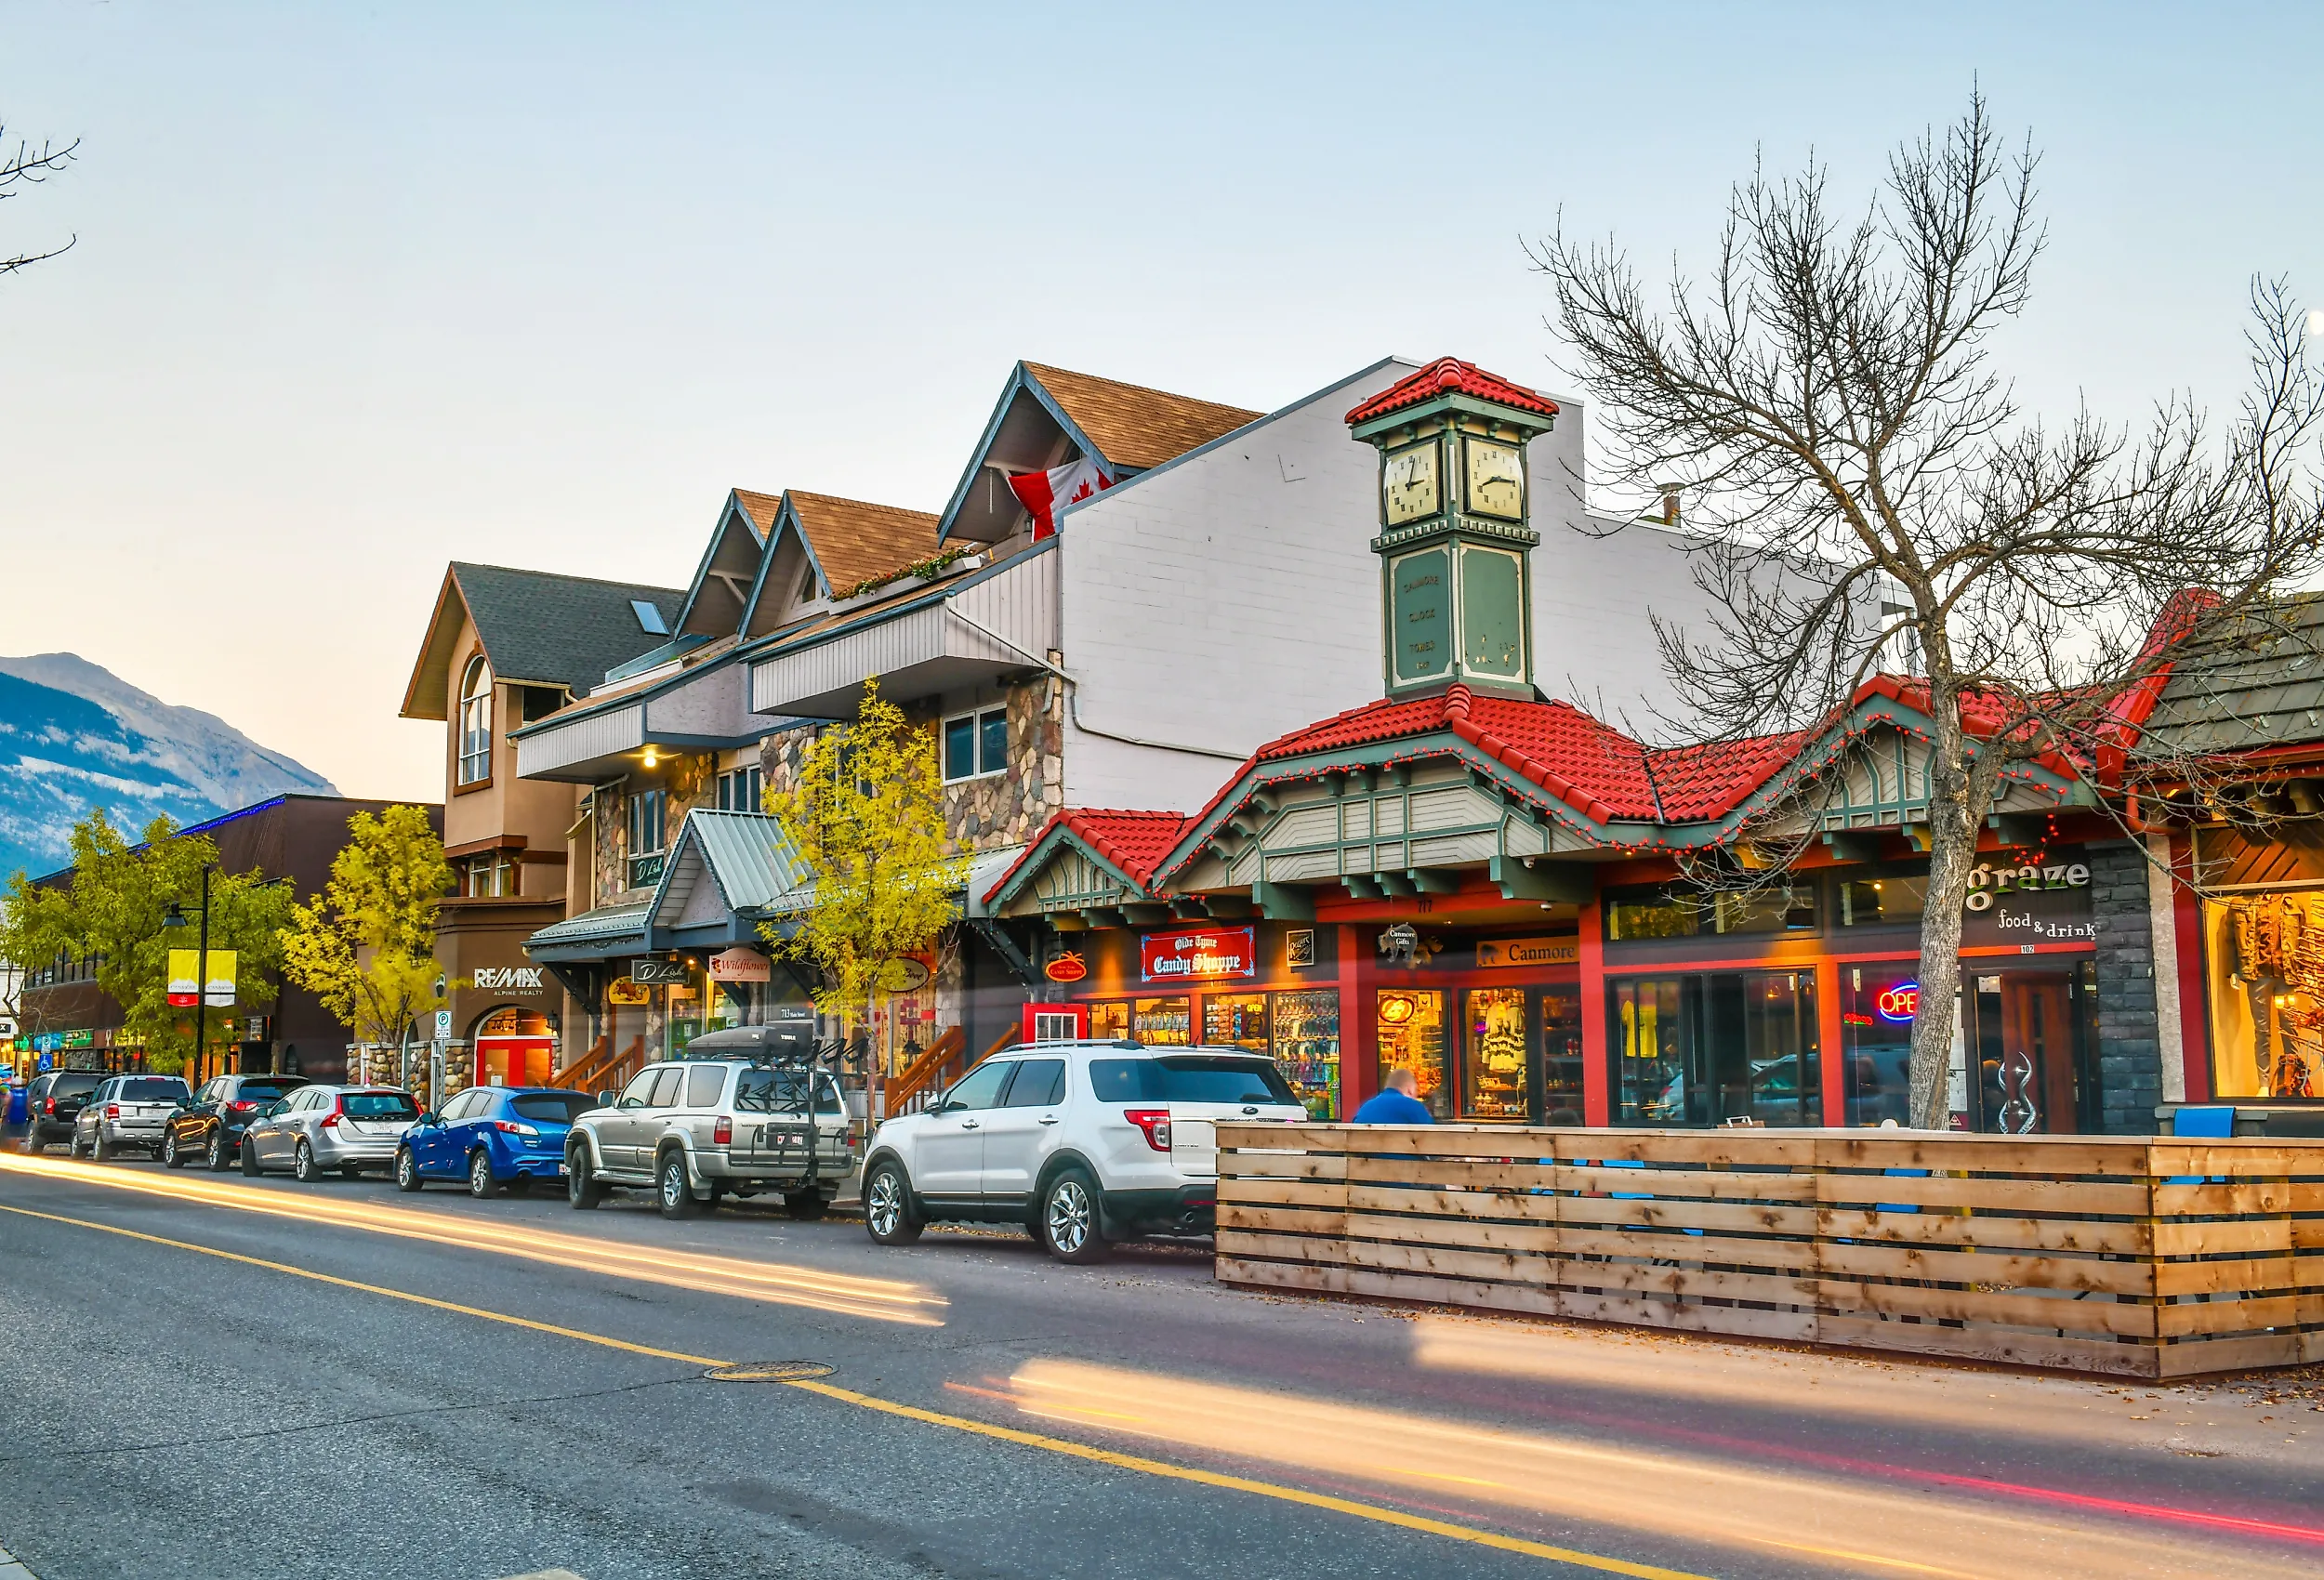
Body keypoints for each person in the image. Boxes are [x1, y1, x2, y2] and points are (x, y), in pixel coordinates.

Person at [1350, 1066, 1433, 1125]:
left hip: (1363, 1149)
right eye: (1416, 1090)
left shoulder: (1366, 1106)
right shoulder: (1413, 1106)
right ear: (1410, 1090)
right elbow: (1432, 1136)